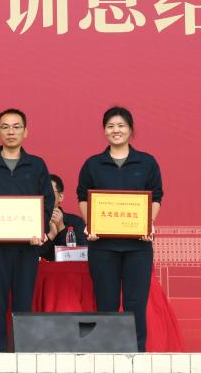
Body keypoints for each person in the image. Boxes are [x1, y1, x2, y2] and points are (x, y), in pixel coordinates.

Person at [0, 108, 54, 352]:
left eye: (16, 127)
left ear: (26, 132)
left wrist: (40, 228)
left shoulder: (36, 165)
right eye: (5, 127)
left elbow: (47, 201)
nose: (11, 131)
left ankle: (23, 353)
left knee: (24, 303)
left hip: (27, 247)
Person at [77, 106, 163, 352]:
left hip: (138, 247)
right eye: (110, 126)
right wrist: (91, 224)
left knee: (136, 304)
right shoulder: (93, 164)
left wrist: (147, 224)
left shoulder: (146, 162)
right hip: (102, 246)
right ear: (104, 130)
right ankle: (108, 355)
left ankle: (136, 354)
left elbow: (156, 196)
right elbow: (83, 197)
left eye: (121, 125)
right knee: (106, 304)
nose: (116, 130)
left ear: (131, 129)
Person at [40, 174, 87, 261]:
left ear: (60, 197)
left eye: (49, 191)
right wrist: (51, 236)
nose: (45, 196)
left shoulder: (77, 222)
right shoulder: (34, 223)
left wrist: (61, 228)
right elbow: (34, 255)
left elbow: (81, 254)